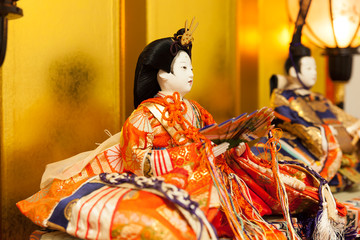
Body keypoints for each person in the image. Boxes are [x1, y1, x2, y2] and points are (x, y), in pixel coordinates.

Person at [18, 21, 349, 240]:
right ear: (162, 75)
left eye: (191, 66)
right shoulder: (143, 116)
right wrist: (196, 152)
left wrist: (235, 141)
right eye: (183, 67)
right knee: (201, 206)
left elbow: (213, 134)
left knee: (282, 182)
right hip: (174, 177)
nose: (191, 73)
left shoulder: (194, 108)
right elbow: (137, 161)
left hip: (208, 171)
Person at [269, 42, 360, 193]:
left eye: (315, 68)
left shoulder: (318, 97)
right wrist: (337, 135)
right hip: (306, 143)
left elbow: (341, 116)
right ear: (293, 71)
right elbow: (299, 125)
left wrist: (354, 128)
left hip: (335, 144)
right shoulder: (282, 96)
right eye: (309, 68)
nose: (314, 73)